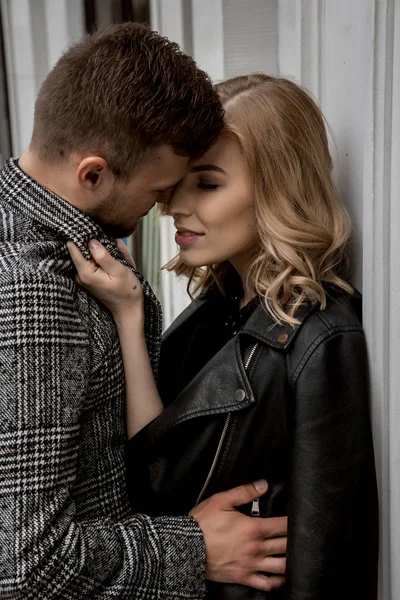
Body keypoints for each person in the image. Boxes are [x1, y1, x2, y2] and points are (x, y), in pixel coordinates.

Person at [0, 27, 288, 599]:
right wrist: (195, 547)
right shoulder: (33, 290)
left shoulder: (62, 242)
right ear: (92, 174)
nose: (164, 207)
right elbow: (26, 565)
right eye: (158, 190)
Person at [69, 74, 379, 599]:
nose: (174, 206)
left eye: (207, 185)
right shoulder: (217, 308)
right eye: (178, 183)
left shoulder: (322, 340)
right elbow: (157, 467)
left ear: (278, 188)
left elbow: (329, 564)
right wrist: (128, 312)